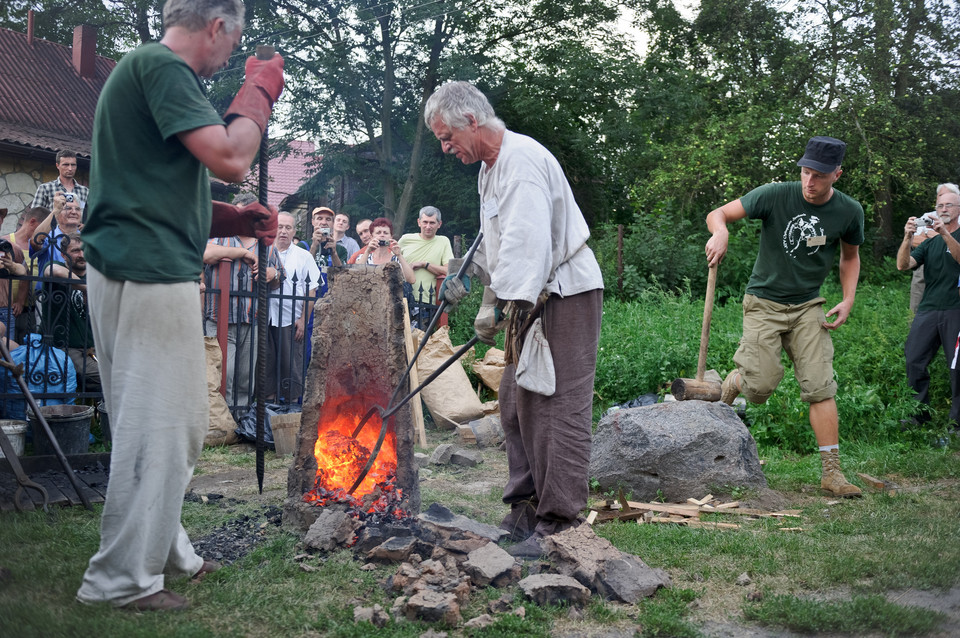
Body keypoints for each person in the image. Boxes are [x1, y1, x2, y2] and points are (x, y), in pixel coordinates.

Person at [75, 0, 283, 612]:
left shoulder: (140, 72)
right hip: (148, 270)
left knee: (152, 422)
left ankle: (170, 554)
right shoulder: (163, 67)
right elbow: (230, 155)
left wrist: (230, 217)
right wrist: (258, 89)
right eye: (230, 44)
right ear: (218, 27)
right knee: (168, 426)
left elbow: (151, 186)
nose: (226, 58)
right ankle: (120, 581)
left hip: (129, 263)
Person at [426, 81, 604, 559]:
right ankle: (524, 507)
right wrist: (477, 283)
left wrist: (500, 304)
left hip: (563, 293)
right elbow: (496, 241)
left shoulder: (521, 162)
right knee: (514, 401)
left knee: (555, 404)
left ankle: (561, 522)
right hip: (531, 297)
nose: (446, 149)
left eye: (447, 138)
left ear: (470, 121)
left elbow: (528, 243)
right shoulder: (490, 169)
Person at [705, 135, 863, 499]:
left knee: (821, 386)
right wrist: (721, 231)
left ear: (836, 174)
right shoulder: (775, 194)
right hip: (764, 303)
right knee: (758, 390)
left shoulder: (849, 211)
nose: (810, 181)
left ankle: (832, 473)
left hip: (809, 306)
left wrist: (849, 298)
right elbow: (719, 213)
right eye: (806, 171)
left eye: (820, 175)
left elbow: (850, 256)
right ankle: (736, 379)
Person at [203, 193, 279, 408]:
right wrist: (239, 252)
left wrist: (273, 274)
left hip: (251, 320)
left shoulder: (267, 246)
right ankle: (220, 424)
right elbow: (204, 254)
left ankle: (241, 422)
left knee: (246, 380)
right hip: (219, 319)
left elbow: (278, 280)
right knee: (221, 377)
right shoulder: (219, 237)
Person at [897, 187, 960, 425]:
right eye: (940, 206)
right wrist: (906, 237)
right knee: (914, 358)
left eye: (949, 206)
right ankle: (918, 416)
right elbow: (904, 265)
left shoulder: (947, 235)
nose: (943, 210)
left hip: (956, 307)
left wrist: (944, 233)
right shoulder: (929, 242)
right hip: (929, 308)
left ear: (958, 210)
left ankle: (956, 423)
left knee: (957, 367)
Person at [266, 212, 320, 403]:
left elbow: (311, 290)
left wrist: (303, 319)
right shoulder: (263, 251)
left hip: (290, 320)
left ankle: (289, 415)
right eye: (280, 226)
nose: (283, 231)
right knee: (267, 371)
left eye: (288, 228)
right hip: (264, 318)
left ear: (294, 231)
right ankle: (268, 416)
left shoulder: (303, 256)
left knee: (291, 372)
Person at [42, 233, 100, 391]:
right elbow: (54, 272)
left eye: (84, 250)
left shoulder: (95, 275)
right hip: (65, 348)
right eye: (75, 251)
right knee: (107, 378)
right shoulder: (55, 265)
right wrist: (87, 289)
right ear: (63, 254)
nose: (81, 255)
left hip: (93, 348)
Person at [908, 184, 960, 313]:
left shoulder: (956, 215)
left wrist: (936, 236)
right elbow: (914, 241)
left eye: (948, 201)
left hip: (952, 263)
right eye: (940, 196)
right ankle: (914, 319)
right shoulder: (928, 215)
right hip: (926, 261)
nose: (944, 207)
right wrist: (940, 239)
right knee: (917, 289)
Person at [398, 205, 453, 303]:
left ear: (439, 224)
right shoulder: (405, 239)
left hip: (427, 302)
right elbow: (390, 264)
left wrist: (425, 264)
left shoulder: (443, 241)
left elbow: (449, 271)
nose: (428, 226)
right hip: (401, 299)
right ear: (419, 222)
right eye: (425, 222)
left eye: (432, 223)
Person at [350, 217, 416, 284]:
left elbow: (411, 280)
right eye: (378, 233)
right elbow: (355, 275)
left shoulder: (397, 260)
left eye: (385, 233)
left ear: (391, 237)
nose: (382, 235)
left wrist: (399, 255)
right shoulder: (363, 257)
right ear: (372, 236)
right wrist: (367, 251)